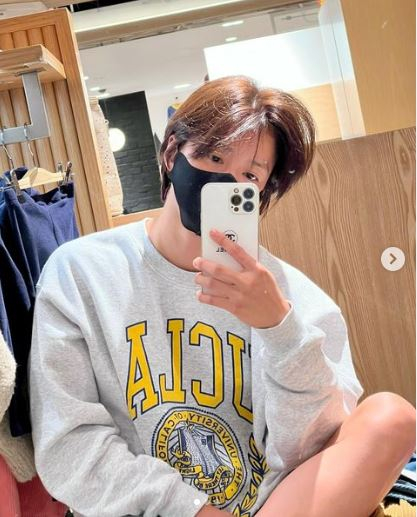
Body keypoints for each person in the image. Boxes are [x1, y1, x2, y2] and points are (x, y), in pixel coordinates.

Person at [29, 76, 415, 517]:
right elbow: (69, 443)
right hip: (148, 510)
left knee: (392, 416)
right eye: (213, 157)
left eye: (249, 175)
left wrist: (281, 331)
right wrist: (193, 510)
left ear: (263, 190)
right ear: (172, 153)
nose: (225, 182)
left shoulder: (297, 301)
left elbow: (308, 454)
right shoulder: (81, 272)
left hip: (272, 508)